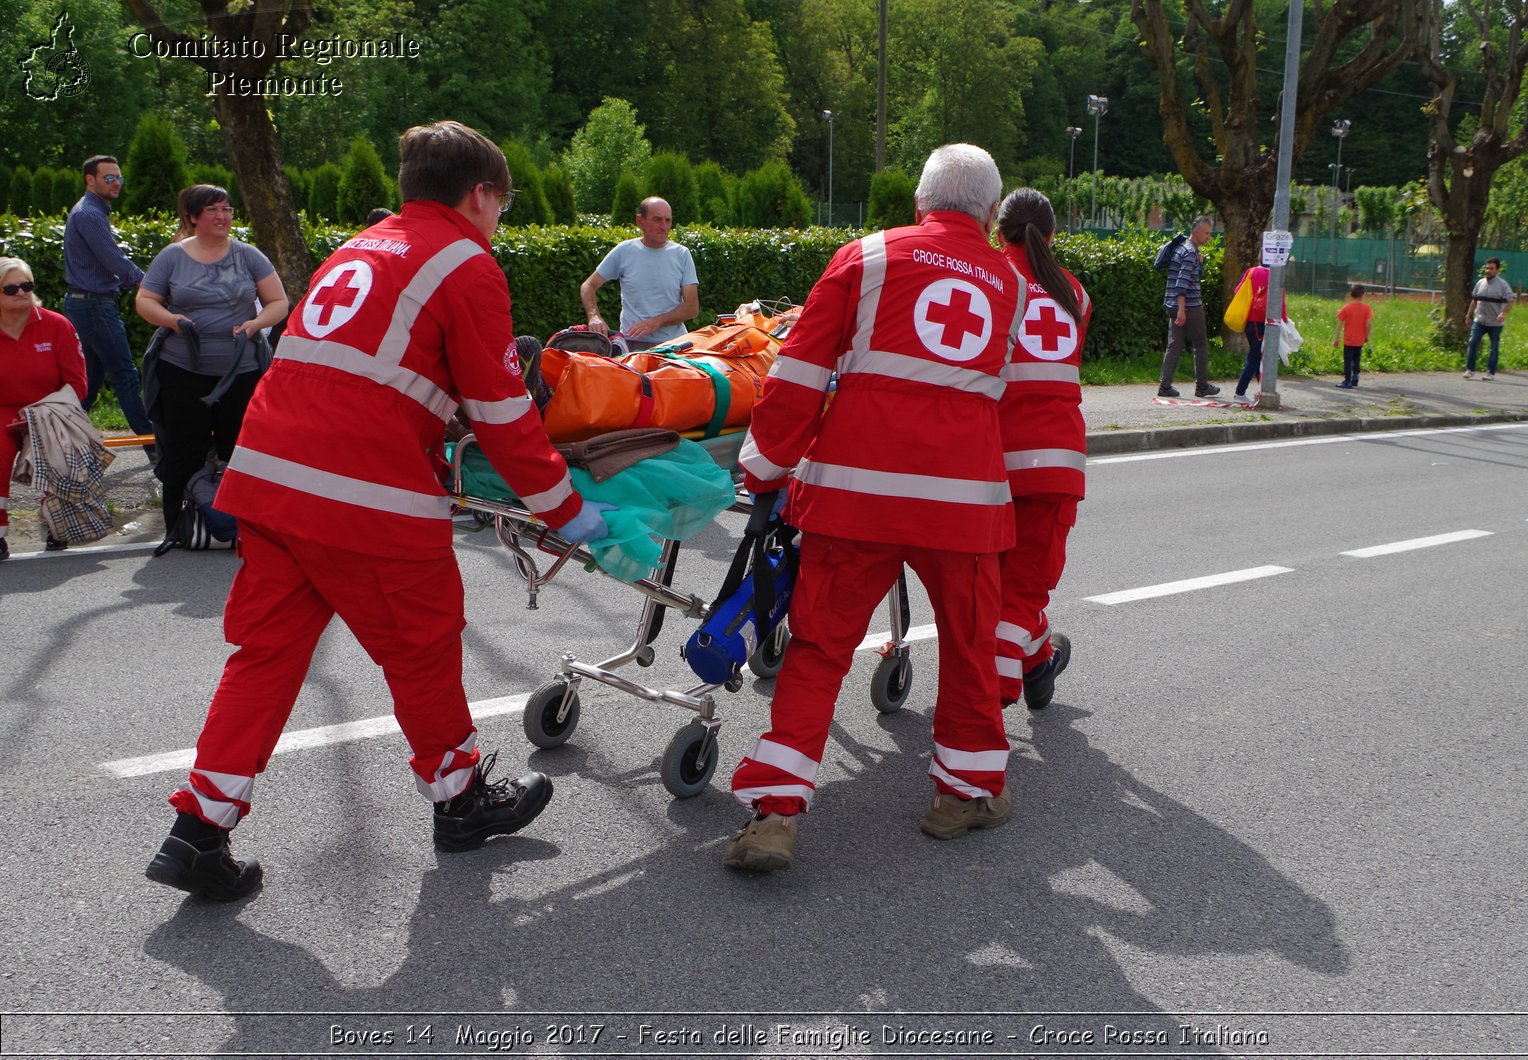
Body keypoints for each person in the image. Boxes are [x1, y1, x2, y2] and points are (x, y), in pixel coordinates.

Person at [144, 121, 612, 902]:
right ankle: (460, 802)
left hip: (269, 480)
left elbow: (372, 369)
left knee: (264, 659)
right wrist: (565, 508)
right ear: (482, 194)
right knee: (422, 645)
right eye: (506, 201)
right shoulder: (466, 261)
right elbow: (500, 408)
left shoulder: (360, 247)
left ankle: (198, 829)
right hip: (361, 492)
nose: (501, 216)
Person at [722, 144, 1025, 873]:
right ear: (990, 213)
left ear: (919, 202)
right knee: (970, 645)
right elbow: (1001, 390)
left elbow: (796, 371)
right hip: (962, 504)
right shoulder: (1010, 284)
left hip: (855, 494)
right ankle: (962, 794)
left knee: (821, 648)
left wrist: (763, 466)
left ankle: (775, 815)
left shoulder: (866, 258)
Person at [135, 184, 291, 555]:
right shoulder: (173, 257)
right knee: (181, 450)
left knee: (240, 447)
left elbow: (278, 302)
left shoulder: (249, 255)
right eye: (213, 210)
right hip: (182, 368)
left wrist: (254, 325)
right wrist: (172, 320)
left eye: (227, 209)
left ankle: (248, 527)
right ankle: (176, 525)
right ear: (192, 217)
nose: (222, 216)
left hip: (241, 369)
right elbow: (145, 299)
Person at [991, 188, 1091, 712]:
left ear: (996, 229)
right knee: (1022, 589)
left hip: (990, 461)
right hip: (1055, 464)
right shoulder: (1074, 292)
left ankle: (1021, 676)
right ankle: (1028, 668)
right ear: (1052, 236)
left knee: (1003, 588)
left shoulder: (984, 279)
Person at [61, 155, 155, 445]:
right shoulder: (89, 214)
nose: (117, 184)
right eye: (109, 178)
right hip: (94, 305)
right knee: (126, 375)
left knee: (89, 380)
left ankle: (59, 438)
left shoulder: (91, 211)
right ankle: (154, 445)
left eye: (119, 178)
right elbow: (114, 259)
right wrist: (150, 284)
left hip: (86, 304)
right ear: (90, 179)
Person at [0, 257, 87, 560]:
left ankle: (57, 526)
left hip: (50, 409)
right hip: (2, 409)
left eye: (26, 285)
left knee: (58, 449)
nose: (21, 292)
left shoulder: (57, 325)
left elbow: (78, 384)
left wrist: (43, 413)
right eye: (11, 288)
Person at [579, 196, 699, 347]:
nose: (664, 227)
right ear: (640, 221)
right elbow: (588, 286)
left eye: (668, 220)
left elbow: (691, 308)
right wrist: (594, 316)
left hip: (674, 345)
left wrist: (656, 322)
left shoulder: (682, 254)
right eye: (657, 220)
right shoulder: (624, 251)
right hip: (632, 345)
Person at [1156, 216, 1218, 399]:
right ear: (1196, 231)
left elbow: (1180, 276)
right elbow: (1182, 282)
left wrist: (1199, 264)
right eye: (1206, 233)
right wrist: (1182, 310)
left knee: (1174, 345)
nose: (1209, 237)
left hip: (1172, 304)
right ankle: (1202, 386)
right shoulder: (1190, 252)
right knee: (1200, 345)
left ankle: (1165, 386)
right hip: (1189, 305)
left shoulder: (1182, 248)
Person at [1230, 262, 1288, 403]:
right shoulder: (1277, 276)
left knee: (1257, 356)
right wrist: (1285, 321)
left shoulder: (1251, 271)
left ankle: (1262, 390)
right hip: (1265, 322)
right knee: (1256, 357)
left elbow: (1238, 291)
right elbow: (1281, 302)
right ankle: (1240, 392)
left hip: (1249, 320)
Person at [1463, 258, 1514, 381]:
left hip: (1495, 323)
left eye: (1491, 268)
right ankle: (1470, 369)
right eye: (1487, 268)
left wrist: (1503, 313)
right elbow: (1475, 300)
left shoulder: (1502, 285)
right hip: (1479, 320)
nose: (1488, 271)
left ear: (1497, 270)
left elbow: (1511, 300)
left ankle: (1490, 372)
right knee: (1473, 343)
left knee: (1493, 347)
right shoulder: (1480, 283)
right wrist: (1468, 315)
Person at [1334, 283, 1373, 389]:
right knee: (1357, 358)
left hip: (1349, 339)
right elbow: (1369, 324)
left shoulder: (1347, 308)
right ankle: (1355, 376)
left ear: (1351, 295)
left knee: (1348, 360)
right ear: (1363, 295)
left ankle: (1347, 380)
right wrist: (1367, 336)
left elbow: (1339, 324)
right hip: (1360, 339)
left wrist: (1337, 338)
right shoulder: (1367, 308)